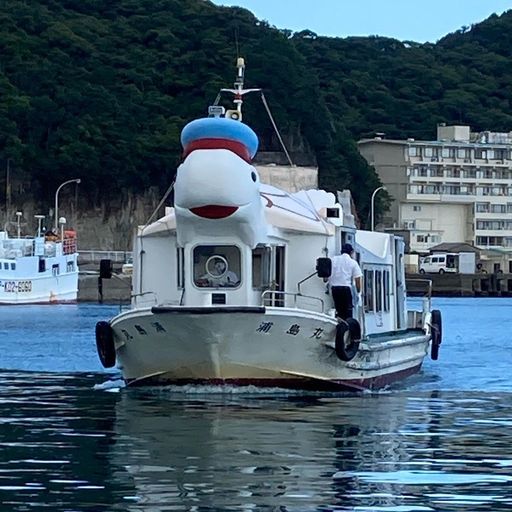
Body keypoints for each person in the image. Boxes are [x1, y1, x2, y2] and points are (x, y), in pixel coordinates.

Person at [329, 243, 362, 320]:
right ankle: (347, 326)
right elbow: (357, 279)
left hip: (334, 288)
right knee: (347, 311)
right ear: (351, 252)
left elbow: (327, 273)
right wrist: (358, 292)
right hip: (346, 289)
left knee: (339, 310)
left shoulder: (333, 260)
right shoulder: (353, 262)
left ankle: (339, 324)